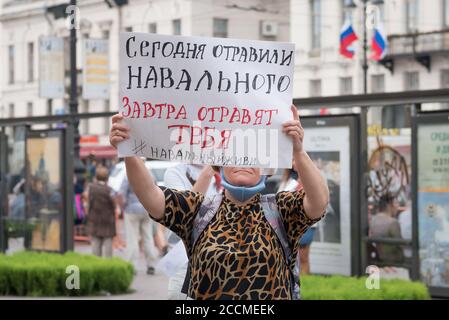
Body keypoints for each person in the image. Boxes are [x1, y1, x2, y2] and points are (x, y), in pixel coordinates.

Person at [109, 105, 329, 299]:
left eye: (252, 155)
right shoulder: (197, 210)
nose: (243, 161)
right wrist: (129, 151)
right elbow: (150, 195)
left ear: (265, 168)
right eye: (233, 154)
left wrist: (299, 151)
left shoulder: (282, 209)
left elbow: (319, 202)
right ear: (218, 165)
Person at [163, 163, 221, 299]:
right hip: (183, 256)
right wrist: (208, 173)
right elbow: (185, 212)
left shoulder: (224, 172)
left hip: (215, 256)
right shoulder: (175, 172)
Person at [118, 161, 159, 275]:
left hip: (131, 209)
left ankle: (132, 265)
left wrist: (123, 207)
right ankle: (151, 264)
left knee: (132, 238)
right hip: (147, 209)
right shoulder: (150, 174)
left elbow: (121, 193)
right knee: (148, 237)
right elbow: (155, 191)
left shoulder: (128, 175)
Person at [278, 165, 317, 275]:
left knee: (303, 257)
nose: (294, 163)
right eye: (292, 160)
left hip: (305, 224)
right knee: (290, 259)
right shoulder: (287, 180)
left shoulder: (309, 179)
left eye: (296, 159)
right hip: (287, 225)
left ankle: (307, 284)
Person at [85, 166, 117, 258]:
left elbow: (87, 201)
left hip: (94, 219)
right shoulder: (109, 190)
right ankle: (107, 266)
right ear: (107, 177)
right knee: (108, 245)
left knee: (95, 244)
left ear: (96, 176)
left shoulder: (91, 188)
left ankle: (97, 264)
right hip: (108, 220)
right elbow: (114, 204)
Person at [369, 193, 404, 263]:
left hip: (379, 259)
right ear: (389, 205)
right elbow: (401, 245)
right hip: (394, 261)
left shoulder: (373, 220)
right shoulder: (393, 222)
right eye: (396, 203)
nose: (397, 206)